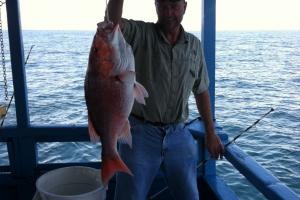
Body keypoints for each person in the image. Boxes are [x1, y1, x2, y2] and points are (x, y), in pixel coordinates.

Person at [105, 0, 224, 199]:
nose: (169, 13)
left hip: (179, 133)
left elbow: (201, 90)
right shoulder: (141, 33)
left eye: (175, 6)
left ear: (185, 7)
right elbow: (112, 24)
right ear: (155, 6)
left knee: (189, 196)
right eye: (164, 6)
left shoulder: (194, 45)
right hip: (140, 134)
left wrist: (211, 132)